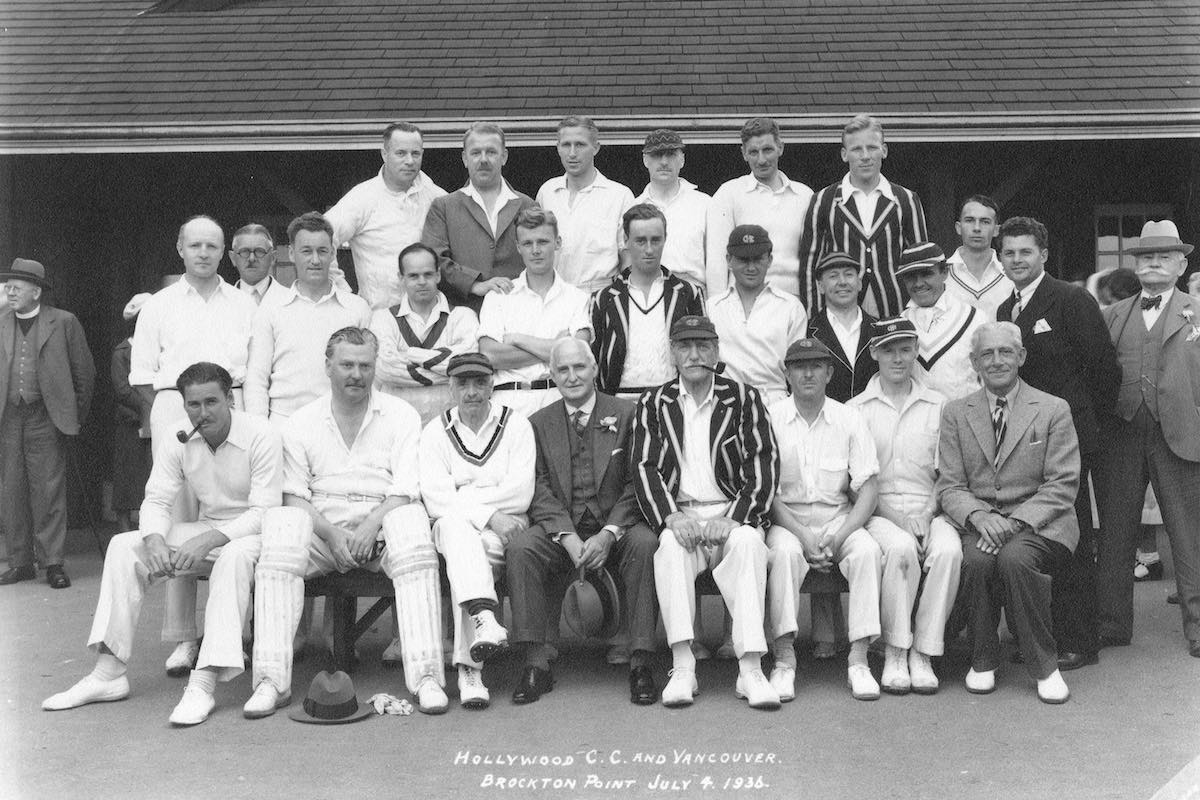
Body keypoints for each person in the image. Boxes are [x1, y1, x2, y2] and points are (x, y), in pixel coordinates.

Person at [42, 362, 282, 725]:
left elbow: (265, 511)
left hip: (255, 537)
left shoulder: (262, 434)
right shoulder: (178, 435)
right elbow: (156, 500)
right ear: (183, 404)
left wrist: (207, 539)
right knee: (125, 547)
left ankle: (203, 684)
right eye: (194, 404)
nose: (203, 413)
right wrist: (154, 540)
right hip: (207, 530)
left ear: (230, 399)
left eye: (212, 402)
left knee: (232, 554)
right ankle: (108, 673)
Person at [246, 326, 448, 718]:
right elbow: (293, 495)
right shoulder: (300, 421)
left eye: (364, 366)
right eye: (346, 365)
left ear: (375, 369)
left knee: (410, 522)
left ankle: (426, 677)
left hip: (383, 523)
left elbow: (406, 489)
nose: (355, 374)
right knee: (283, 526)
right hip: (323, 529)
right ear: (328, 367)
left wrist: (371, 525)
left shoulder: (401, 415)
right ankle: (270, 681)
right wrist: (331, 533)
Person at [129, 215, 258, 676]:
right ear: (180, 248)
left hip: (233, 410)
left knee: (238, 523)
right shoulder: (158, 305)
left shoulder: (245, 305)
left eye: (212, 245)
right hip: (176, 414)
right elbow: (142, 376)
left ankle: (237, 635)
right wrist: (174, 419)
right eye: (195, 245)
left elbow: (254, 369)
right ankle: (184, 637)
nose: (204, 253)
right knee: (180, 523)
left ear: (223, 252)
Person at [631, 315, 780, 709]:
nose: (694, 355)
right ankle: (683, 668)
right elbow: (644, 467)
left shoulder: (744, 398)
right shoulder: (653, 402)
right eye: (684, 346)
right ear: (673, 354)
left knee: (749, 544)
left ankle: (751, 670)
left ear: (716, 351)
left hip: (731, 515)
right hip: (682, 515)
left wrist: (734, 518)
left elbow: (763, 464)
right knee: (669, 547)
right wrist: (671, 517)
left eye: (703, 346)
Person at [995, 216, 1120, 670]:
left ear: (1044, 255)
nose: (1017, 260)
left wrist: (1086, 425)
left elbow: (1104, 370)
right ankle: (1038, 634)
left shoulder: (1071, 299)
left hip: (1067, 440)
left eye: (1025, 252)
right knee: (1032, 537)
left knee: (1071, 537)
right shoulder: (1004, 310)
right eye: (1009, 252)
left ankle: (1080, 639)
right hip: (1021, 442)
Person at [506, 338, 659, 705]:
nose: (572, 376)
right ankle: (535, 663)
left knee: (646, 544)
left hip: (616, 528)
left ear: (593, 369)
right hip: (565, 531)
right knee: (521, 548)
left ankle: (640, 661)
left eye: (579, 367)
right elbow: (538, 487)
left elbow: (637, 480)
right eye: (563, 369)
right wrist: (567, 537)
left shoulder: (627, 414)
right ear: (552, 374)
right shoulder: (538, 423)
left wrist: (608, 534)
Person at [938, 322, 1080, 703]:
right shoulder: (955, 413)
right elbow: (950, 485)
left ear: (1021, 357)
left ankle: (1044, 667)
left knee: (1015, 559)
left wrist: (1015, 522)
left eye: (1005, 352)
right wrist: (982, 519)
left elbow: (1062, 483)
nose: (997, 361)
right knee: (978, 562)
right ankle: (983, 659)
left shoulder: (1053, 409)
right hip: (980, 521)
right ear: (974, 362)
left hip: (1041, 523)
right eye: (987, 354)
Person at [1096, 220, 1200, 658]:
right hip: (1121, 433)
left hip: (1179, 431)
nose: (1153, 262)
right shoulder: (1112, 315)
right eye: (1144, 256)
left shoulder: (1197, 312)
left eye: (1163, 255)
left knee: (1187, 534)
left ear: (1181, 264)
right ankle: (1111, 624)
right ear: (1135, 267)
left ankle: (1197, 626)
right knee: (1116, 534)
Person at [765, 337, 885, 702]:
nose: (808, 373)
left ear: (830, 372)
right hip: (787, 520)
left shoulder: (849, 417)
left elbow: (868, 488)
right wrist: (802, 534)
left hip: (838, 519)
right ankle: (784, 660)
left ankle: (859, 660)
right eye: (799, 366)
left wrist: (841, 534)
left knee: (866, 551)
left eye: (816, 365)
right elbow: (765, 490)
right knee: (783, 555)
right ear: (787, 373)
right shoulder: (771, 417)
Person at [848, 317, 959, 694]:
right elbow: (860, 484)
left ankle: (924, 652)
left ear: (915, 352)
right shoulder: (857, 409)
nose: (898, 358)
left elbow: (949, 472)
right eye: (889, 350)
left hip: (932, 505)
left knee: (948, 551)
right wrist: (900, 520)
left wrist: (927, 515)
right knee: (900, 550)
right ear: (875, 353)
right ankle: (896, 648)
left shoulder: (939, 404)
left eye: (906, 349)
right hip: (878, 510)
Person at [419, 352, 536, 709]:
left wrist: (467, 495)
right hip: (466, 529)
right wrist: (489, 513)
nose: (472, 392)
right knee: (456, 531)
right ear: (450, 388)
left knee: (463, 552)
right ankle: (483, 623)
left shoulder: (516, 424)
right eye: (463, 384)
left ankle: (472, 666)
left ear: (491, 385)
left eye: (480, 383)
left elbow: (520, 493)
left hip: (503, 533)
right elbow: (436, 499)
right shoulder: (435, 431)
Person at [0, 258, 95, 588]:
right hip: (8, 417)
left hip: (46, 417)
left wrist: (71, 418)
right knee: (10, 491)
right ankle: (20, 561)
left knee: (48, 491)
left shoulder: (64, 322)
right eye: (8, 286)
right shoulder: (0, 319)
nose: (9, 291)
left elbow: (85, 375)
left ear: (36, 292)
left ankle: (53, 561)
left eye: (17, 286)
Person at [244, 212, 372, 423]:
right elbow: (256, 379)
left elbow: (371, 375)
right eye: (306, 251)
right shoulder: (271, 309)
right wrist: (261, 431)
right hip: (284, 423)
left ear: (332, 253)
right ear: (292, 254)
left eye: (322, 251)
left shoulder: (357, 308)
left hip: (342, 424)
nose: (315, 260)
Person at [799, 114, 927, 318]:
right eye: (857, 149)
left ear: (884, 151)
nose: (865, 156)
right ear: (844, 154)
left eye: (872, 148)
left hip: (895, 311)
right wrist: (814, 319)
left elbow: (920, 263)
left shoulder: (906, 199)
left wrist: (919, 315)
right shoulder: (823, 200)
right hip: (839, 313)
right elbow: (810, 268)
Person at [477, 206, 591, 418]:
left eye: (543, 242)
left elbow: (577, 354)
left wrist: (517, 339)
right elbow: (490, 356)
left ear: (558, 243)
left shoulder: (577, 298)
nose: (535, 250)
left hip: (560, 401)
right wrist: (554, 348)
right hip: (509, 403)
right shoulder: (498, 297)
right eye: (528, 243)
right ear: (518, 247)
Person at [326, 122, 448, 309]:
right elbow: (323, 234)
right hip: (378, 318)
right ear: (384, 154)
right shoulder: (363, 197)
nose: (409, 160)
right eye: (401, 153)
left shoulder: (438, 198)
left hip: (430, 319)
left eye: (415, 153)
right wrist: (344, 293)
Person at [590, 203, 704, 397]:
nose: (649, 249)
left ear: (665, 239)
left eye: (656, 240)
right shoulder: (604, 299)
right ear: (626, 240)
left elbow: (701, 353)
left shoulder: (687, 294)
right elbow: (593, 359)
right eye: (641, 241)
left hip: (673, 399)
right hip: (618, 403)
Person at [422, 122, 535, 312]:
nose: (483, 159)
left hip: (519, 312)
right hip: (463, 314)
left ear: (504, 157)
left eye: (491, 152)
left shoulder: (527, 206)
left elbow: (539, 256)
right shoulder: (443, 207)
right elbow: (432, 260)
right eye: (475, 153)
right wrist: (474, 285)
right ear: (465, 158)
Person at [370, 242, 480, 423]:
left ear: (438, 275)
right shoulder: (383, 319)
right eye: (413, 276)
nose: (422, 281)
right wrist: (447, 370)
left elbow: (467, 364)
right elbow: (384, 369)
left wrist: (411, 354)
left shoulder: (462, 316)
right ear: (401, 278)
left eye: (428, 274)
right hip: (396, 423)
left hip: (450, 423)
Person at [706, 117, 813, 298]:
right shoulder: (728, 193)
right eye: (754, 152)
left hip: (794, 302)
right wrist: (717, 311)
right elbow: (717, 261)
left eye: (768, 150)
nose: (761, 160)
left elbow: (813, 261)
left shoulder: (805, 196)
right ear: (744, 153)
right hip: (743, 304)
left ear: (780, 147)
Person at [706, 225, 808, 405]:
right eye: (744, 260)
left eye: (758, 259)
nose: (751, 267)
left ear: (769, 260)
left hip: (774, 400)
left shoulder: (790, 307)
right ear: (729, 260)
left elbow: (798, 367)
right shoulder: (712, 307)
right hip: (724, 401)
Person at [535, 116, 635, 293]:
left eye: (580, 145)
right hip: (554, 295)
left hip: (600, 295)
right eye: (566, 145)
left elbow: (628, 258)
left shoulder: (619, 196)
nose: (572, 153)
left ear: (595, 148)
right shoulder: (547, 192)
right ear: (557, 148)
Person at [898, 242, 985, 400]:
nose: (918, 283)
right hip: (917, 421)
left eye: (926, 274)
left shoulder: (976, 318)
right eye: (911, 276)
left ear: (944, 272)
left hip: (966, 420)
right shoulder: (900, 324)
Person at [634, 129, 710, 293]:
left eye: (671, 155)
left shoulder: (705, 204)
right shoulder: (633, 207)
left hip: (692, 293)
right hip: (646, 294)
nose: (664, 162)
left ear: (682, 160)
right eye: (657, 155)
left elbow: (716, 262)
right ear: (645, 160)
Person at [806, 251, 879, 402]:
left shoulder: (879, 329)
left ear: (859, 284)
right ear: (820, 287)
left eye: (849, 275)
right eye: (833, 276)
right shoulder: (807, 331)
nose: (842, 282)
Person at [111, 293, 154, 534]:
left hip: (154, 424)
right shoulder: (123, 351)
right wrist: (150, 405)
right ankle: (125, 532)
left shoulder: (161, 348)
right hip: (130, 423)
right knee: (127, 482)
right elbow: (122, 390)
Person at [943, 196, 1012, 320]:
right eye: (969, 220)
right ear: (958, 227)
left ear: (996, 230)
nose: (977, 228)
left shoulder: (1012, 276)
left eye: (985, 222)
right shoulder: (941, 274)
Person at [229, 223, 290, 309]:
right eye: (244, 251)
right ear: (233, 258)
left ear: (273, 258)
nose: (252, 258)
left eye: (259, 251)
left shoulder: (291, 301)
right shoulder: (220, 304)